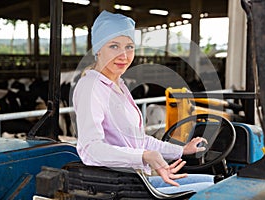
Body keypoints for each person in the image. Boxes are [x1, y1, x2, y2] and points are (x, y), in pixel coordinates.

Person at [72, 10, 214, 194]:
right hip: (119, 188)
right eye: (114, 46)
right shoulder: (90, 87)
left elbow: (139, 140)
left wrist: (182, 150)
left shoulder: (119, 85)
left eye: (129, 46)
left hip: (138, 179)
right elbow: (91, 149)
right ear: (98, 49)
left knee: (217, 182)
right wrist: (144, 156)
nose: (124, 55)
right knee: (217, 192)